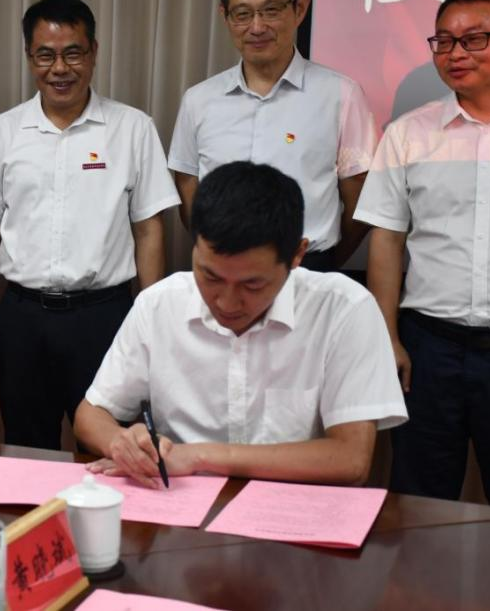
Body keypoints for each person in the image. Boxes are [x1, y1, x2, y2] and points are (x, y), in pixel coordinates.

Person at [75, 161, 407, 488]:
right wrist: (121, 442)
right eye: (211, 276)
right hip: (182, 504)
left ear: (297, 254)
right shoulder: (159, 304)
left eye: (252, 285)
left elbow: (351, 459)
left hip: (295, 507)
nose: (227, 302)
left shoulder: (344, 309)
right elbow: (91, 414)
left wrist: (198, 456)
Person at [0, 0, 180, 449]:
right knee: (25, 446)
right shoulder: (2, 133)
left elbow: (148, 229)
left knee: (108, 448)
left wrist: (148, 319)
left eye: (73, 53)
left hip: (104, 316)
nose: (59, 68)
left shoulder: (133, 129)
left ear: (94, 52)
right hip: (23, 317)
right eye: (45, 55)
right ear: (29, 57)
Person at [355, 0, 490, 507]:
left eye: (474, 38)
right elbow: (386, 240)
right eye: (443, 40)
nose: (455, 53)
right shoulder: (409, 133)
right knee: (419, 500)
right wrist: (388, 337)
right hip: (429, 349)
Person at [168, 0, 376, 271]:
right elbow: (187, 184)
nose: (257, 27)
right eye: (242, 14)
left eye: (271, 10)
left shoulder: (341, 94)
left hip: (307, 267)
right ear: (225, 16)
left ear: (300, 8)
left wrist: (324, 262)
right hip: (222, 267)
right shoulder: (199, 100)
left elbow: (358, 194)